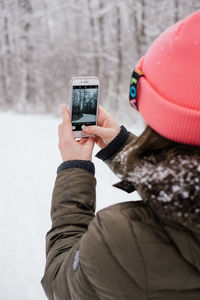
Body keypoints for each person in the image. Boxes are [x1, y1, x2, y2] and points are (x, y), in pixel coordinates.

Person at [41, 10, 200, 300]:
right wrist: (122, 147)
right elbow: (188, 189)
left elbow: (60, 282)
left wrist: (74, 167)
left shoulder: (122, 240)